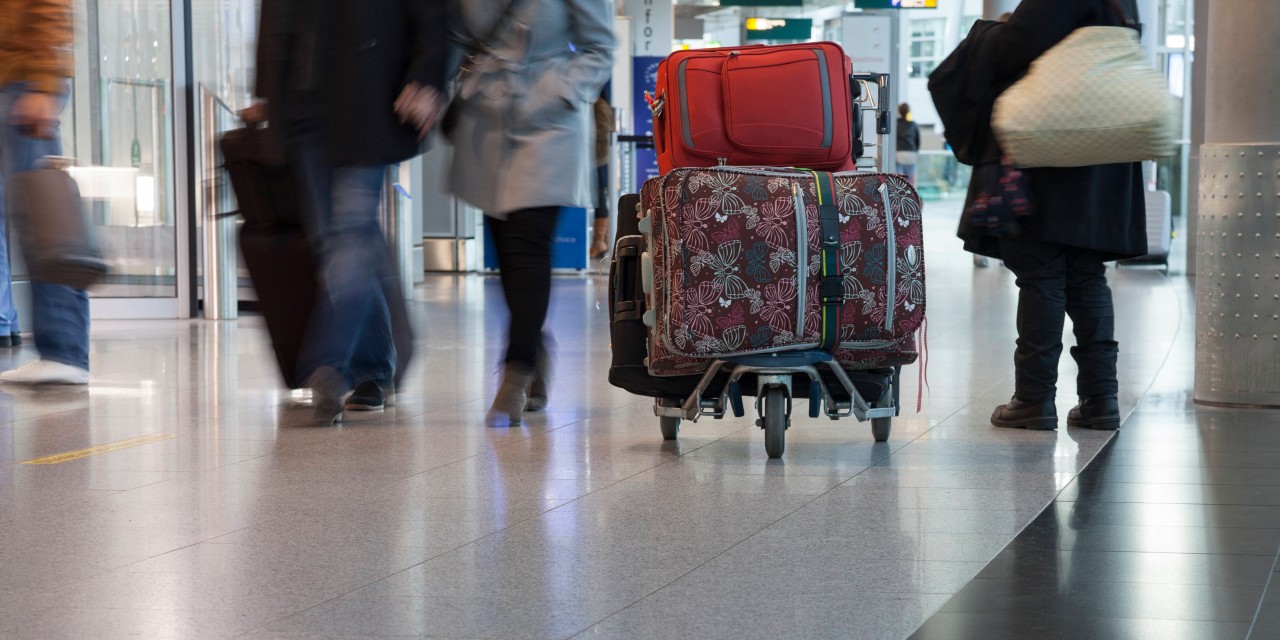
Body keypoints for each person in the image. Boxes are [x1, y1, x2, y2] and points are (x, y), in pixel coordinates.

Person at [251, 0, 450, 423]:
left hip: (367, 98)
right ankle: (375, 367)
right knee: (336, 243)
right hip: (302, 108)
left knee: (351, 233)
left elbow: (435, 12)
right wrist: (267, 91)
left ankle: (329, 368)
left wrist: (426, 76)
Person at [957, 0, 1146, 431]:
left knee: (1042, 273)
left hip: (1052, 148)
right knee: (1085, 273)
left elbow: (1013, 47)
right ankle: (1101, 400)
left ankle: (1034, 398)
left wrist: (986, 32)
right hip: (1103, 149)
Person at [446, 0, 614, 427]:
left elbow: (600, 47)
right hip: (487, 117)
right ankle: (534, 348)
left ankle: (516, 368)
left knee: (527, 243)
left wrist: (562, 90)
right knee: (505, 248)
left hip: (549, 122)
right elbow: (450, 33)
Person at [0, 0, 91, 385]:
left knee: (45, 215)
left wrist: (41, 83)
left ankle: (65, 350)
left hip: (24, 79)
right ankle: (62, 350)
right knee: (37, 213)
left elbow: (51, 6)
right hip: (13, 79)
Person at [590, 90, 615, 260]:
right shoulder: (599, 104)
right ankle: (601, 241)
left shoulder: (599, 105)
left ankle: (600, 241)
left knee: (598, 197)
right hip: (598, 157)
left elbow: (605, 131)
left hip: (599, 158)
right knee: (598, 197)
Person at [895, 103, 920, 185]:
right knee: (910, 181)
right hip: (911, 154)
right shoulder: (913, 125)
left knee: (899, 180)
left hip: (899, 154)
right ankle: (910, 196)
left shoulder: (896, 124)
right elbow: (917, 141)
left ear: (899, 111)